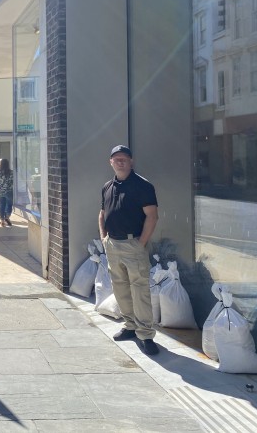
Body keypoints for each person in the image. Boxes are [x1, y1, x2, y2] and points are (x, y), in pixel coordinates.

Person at [98, 144, 160, 356]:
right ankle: (130, 326)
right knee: (121, 288)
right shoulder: (107, 186)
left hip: (134, 245)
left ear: (131, 161)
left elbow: (152, 216)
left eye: (124, 158)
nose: (120, 162)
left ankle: (146, 334)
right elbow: (102, 213)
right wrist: (103, 237)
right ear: (111, 162)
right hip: (112, 245)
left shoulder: (143, 186)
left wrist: (141, 243)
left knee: (140, 290)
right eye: (116, 159)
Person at [0, 158, 14, 227]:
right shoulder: (11, 172)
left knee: (1, 205)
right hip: (8, 191)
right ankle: (7, 217)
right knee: (9, 204)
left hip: (0, 191)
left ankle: (2, 220)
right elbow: (12, 182)